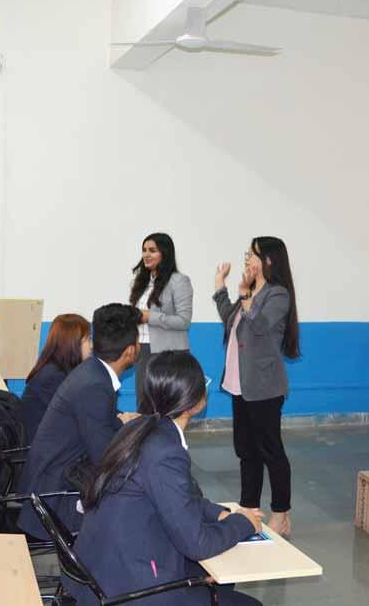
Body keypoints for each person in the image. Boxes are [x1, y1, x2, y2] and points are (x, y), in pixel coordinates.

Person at [66, 351, 263, 606]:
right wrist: (244, 523)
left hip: (99, 570)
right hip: (130, 589)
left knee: (217, 575)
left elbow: (178, 497)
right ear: (197, 402)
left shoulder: (137, 428)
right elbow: (198, 544)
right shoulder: (165, 451)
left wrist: (219, 514)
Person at [16, 304, 142, 539]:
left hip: (58, 475)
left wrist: (128, 426)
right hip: (56, 493)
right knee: (139, 502)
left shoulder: (93, 372)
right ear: (129, 352)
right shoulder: (95, 385)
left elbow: (102, 427)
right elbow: (105, 457)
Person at [214, 236, 300, 538]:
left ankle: (281, 513)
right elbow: (230, 320)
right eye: (247, 254)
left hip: (264, 386)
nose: (247, 259)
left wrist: (244, 293)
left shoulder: (278, 295)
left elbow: (260, 325)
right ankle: (249, 507)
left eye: (252, 255)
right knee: (246, 450)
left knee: (271, 450)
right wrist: (220, 287)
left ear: (269, 261)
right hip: (241, 384)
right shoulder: (249, 293)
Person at [129, 233, 193, 405]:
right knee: (144, 403)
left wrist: (150, 317)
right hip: (142, 349)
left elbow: (184, 321)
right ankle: (145, 433)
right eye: (144, 250)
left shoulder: (179, 281)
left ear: (164, 253)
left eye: (152, 250)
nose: (146, 255)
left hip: (167, 353)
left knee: (166, 406)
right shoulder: (141, 282)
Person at [21, 313, 91, 442]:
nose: (91, 346)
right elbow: (82, 414)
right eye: (88, 340)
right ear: (73, 343)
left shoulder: (57, 371)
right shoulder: (53, 377)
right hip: (45, 452)